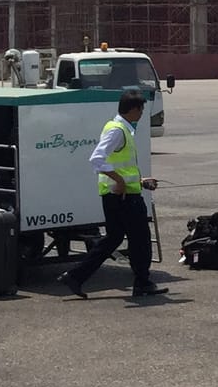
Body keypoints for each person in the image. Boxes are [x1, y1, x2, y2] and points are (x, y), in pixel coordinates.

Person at [62, 91, 165, 300]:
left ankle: (75, 276)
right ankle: (142, 283)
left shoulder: (115, 127)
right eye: (141, 109)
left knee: (113, 239)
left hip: (116, 195)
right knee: (140, 240)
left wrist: (140, 181)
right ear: (134, 109)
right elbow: (96, 160)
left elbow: (121, 167)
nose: (142, 113)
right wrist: (120, 181)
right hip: (124, 197)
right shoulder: (118, 131)